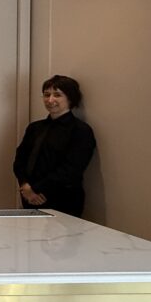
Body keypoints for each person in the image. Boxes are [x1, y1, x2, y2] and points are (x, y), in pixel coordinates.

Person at [13, 74, 97, 217]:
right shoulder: (35, 128)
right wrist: (25, 186)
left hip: (64, 200)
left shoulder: (81, 131)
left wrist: (36, 189)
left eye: (57, 95)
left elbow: (71, 169)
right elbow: (20, 159)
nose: (50, 100)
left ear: (70, 98)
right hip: (29, 197)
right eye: (46, 95)